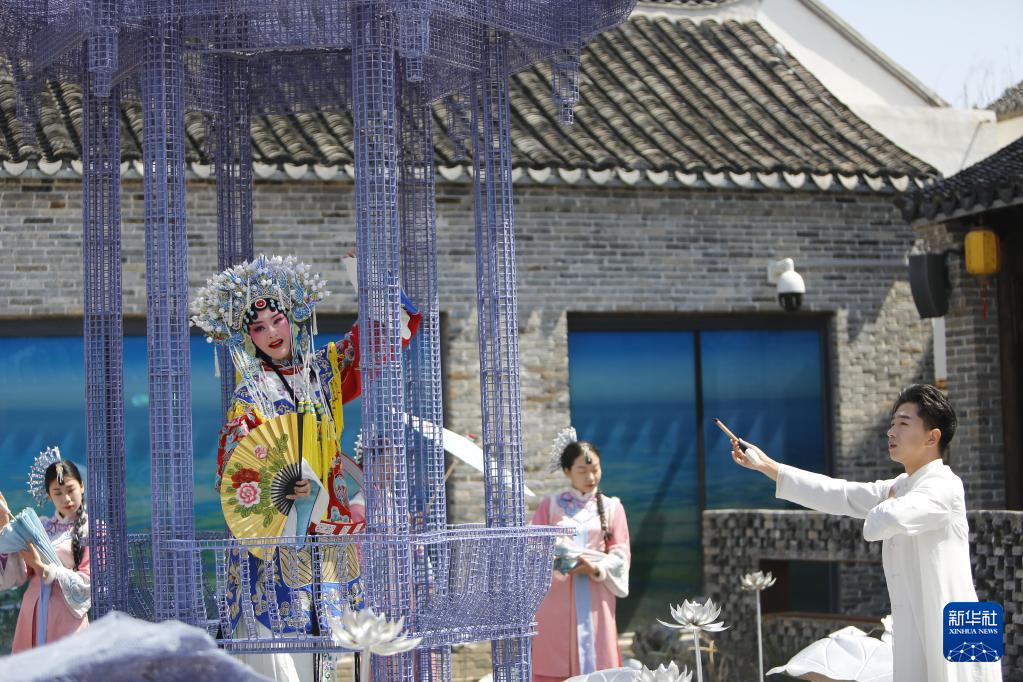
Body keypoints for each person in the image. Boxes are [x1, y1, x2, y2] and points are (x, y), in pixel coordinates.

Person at [192, 252, 421, 681]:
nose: (271, 333)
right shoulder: (249, 395)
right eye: (258, 328)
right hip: (276, 537)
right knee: (279, 648)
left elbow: (387, 335)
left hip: (328, 527)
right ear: (248, 338)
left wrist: (371, 286)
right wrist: (280, 490)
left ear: (294, 320)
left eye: (277, 320)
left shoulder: (325, 371)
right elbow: (235, 473)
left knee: (331, 646)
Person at [730, 384, 1001, 682]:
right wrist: (768, 466)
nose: (891, 432)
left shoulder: (945, 485)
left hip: (957, 622)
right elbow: (841, 494)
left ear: (932, 437)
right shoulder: (902, 485)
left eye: (903, 423)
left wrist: (885, 507)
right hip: (925, 620)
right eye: (892, 423)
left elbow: (884, 521)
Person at [531, 428, 631, 682]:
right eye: (582, 470)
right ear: (567, 471)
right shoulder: (550, 506)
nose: (591, 476)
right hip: (557, 595)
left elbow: (621, 551)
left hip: (597, 591)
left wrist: (597, 568)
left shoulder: (613, 507)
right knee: (553, 654)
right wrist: (560, 556)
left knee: (599, 660)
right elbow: (532, 546)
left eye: (595, 469)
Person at [0, 448, 90, 652]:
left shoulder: (93, 529)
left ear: (82, 486)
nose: (66, 498)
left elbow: (88, 584)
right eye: (58, 493)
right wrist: (4, 526)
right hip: (32, 611)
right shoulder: (40, 526)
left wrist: (43, 568)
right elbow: (17, 574)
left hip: (66, 616)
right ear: (49, 496)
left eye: (70, 489)